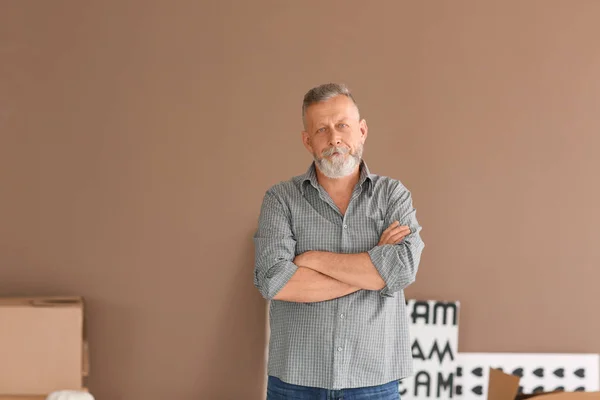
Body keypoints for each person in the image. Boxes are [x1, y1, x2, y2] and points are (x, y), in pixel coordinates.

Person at [253, 83, 425, 400]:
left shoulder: (393, 195)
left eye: (342, 126)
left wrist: (311, 260)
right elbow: (275, 281)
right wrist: (374, 268)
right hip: (295, 381)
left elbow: (401, 270)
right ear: (307, 141)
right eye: (322, 129)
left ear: (361, 130)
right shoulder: (280, 199)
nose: (334, 139)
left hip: (374, 379)